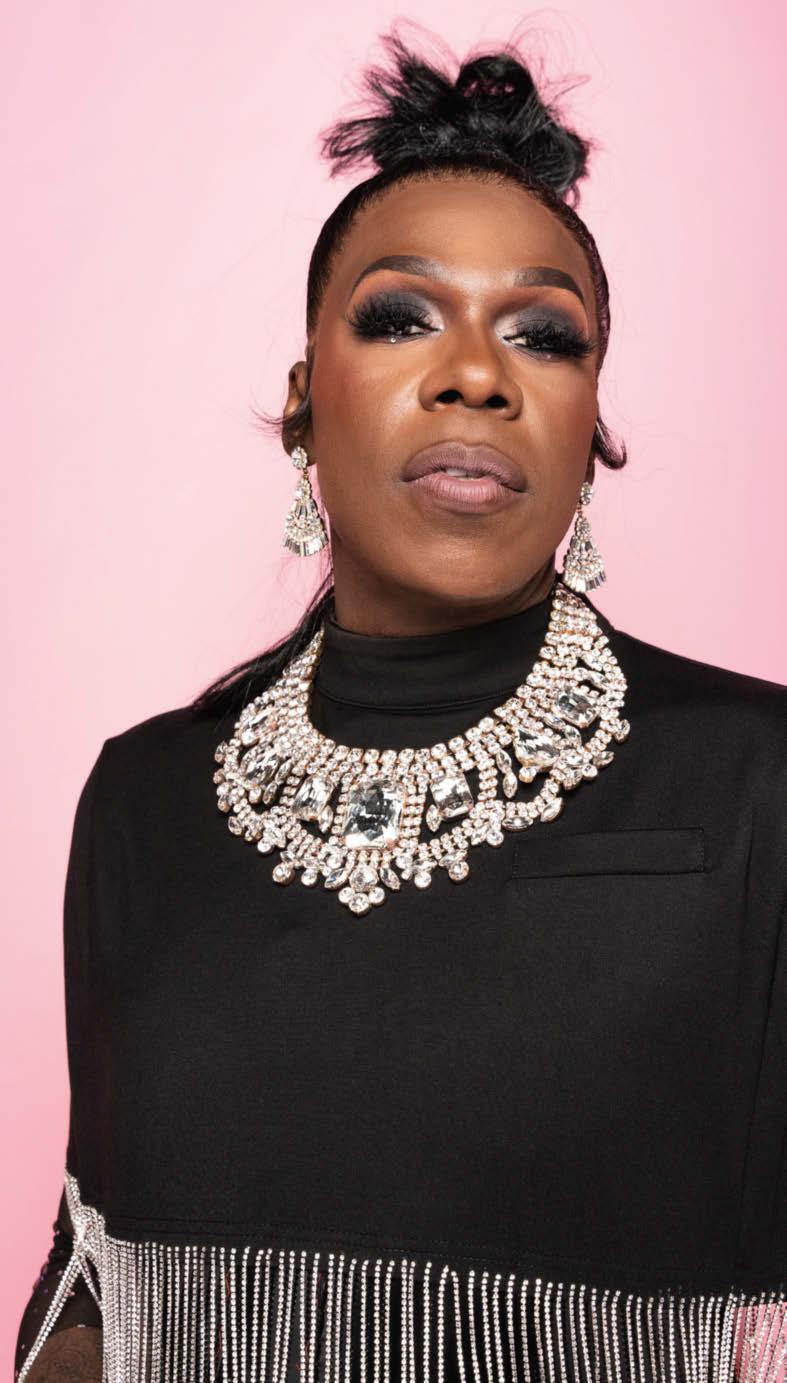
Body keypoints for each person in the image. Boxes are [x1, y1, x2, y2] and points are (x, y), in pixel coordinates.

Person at [14, 22, 786, 1383]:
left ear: (591, 434)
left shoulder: (756, 780)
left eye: (544, 336)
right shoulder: (142, 800)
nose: (476, 373)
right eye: (399, 317)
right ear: (304, 405)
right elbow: (92, 1293)